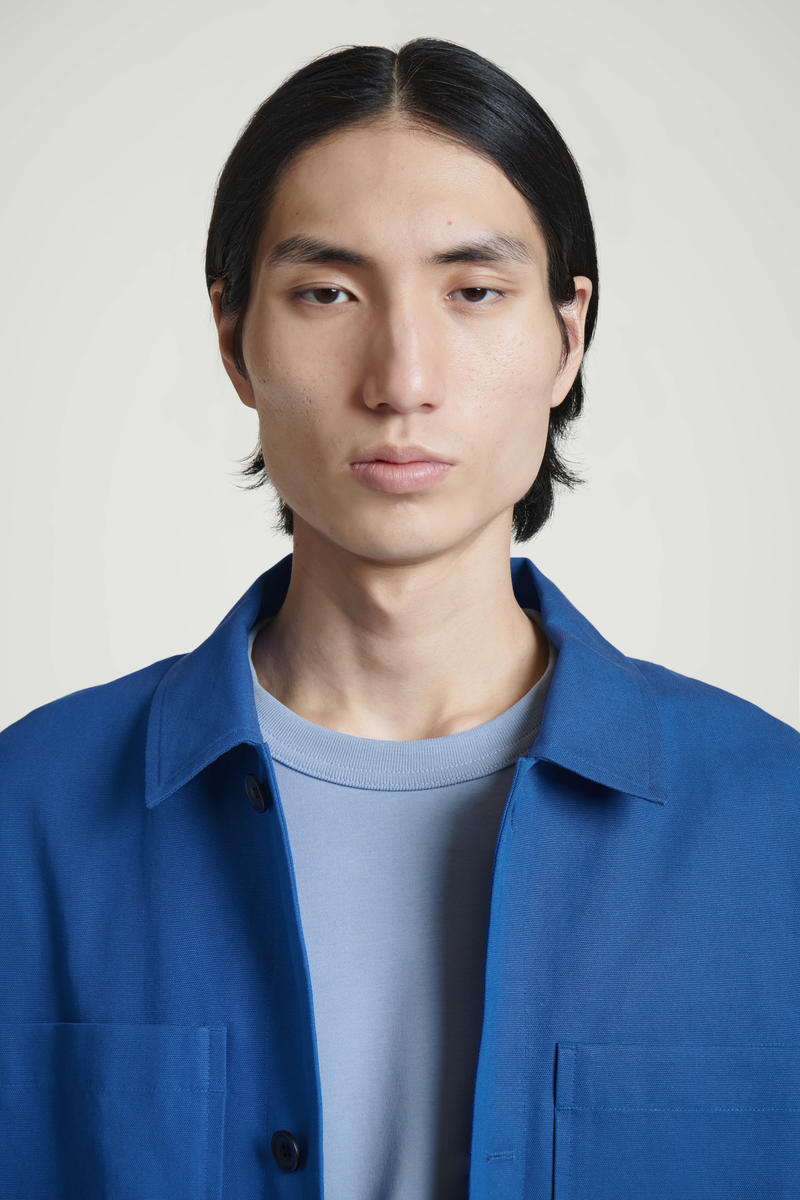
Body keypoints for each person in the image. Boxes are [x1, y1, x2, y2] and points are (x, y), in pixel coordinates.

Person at [1, 36, 798, 1200]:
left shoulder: (773, 824)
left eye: (473, 292)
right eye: (326, 293)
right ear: (232, 338)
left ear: (567, 337)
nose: (400, 378)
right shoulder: (28, 815)